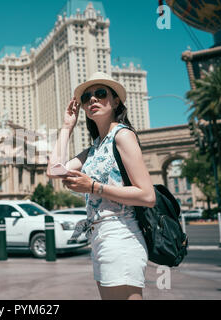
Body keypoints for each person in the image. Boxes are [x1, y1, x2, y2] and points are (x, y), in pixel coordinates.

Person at [47, 72, 156, 300]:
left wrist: (94, 187)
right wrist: (67, 127)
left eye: (100, 93)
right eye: (87, 97)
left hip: (121, 233)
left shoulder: (122, 136)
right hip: (100, 236)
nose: (92, 100)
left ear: (116, 101)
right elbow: (54, 170)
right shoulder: (95, 147)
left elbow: (147, 195)